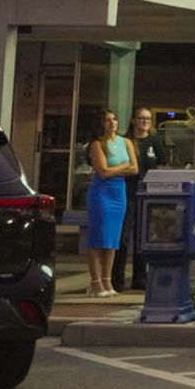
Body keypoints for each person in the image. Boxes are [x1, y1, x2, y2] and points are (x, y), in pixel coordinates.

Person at [84, 110, 138, 297]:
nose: (112, 123)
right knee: (99, 237)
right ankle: (95, 282)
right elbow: (103, 172)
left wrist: (117, 168)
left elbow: (135, 168)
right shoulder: (97, 144)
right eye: (107, 120)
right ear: (101, 124)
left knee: (113, 239)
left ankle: (108, 281)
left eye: (114, 119)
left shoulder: (126, 142)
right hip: (102, 193)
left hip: (119, 193)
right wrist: (124, 167)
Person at [111, 108, 163, 292]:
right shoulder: (125, 141)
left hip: (147, 191)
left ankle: (140, 277)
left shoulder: (154, 141)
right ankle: (117, 278)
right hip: (126, 190)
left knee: (142, 235)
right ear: (133, 121)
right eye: (141, 118)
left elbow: (161, 163)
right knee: (123, 236)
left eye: (148, 119)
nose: (145, 122)